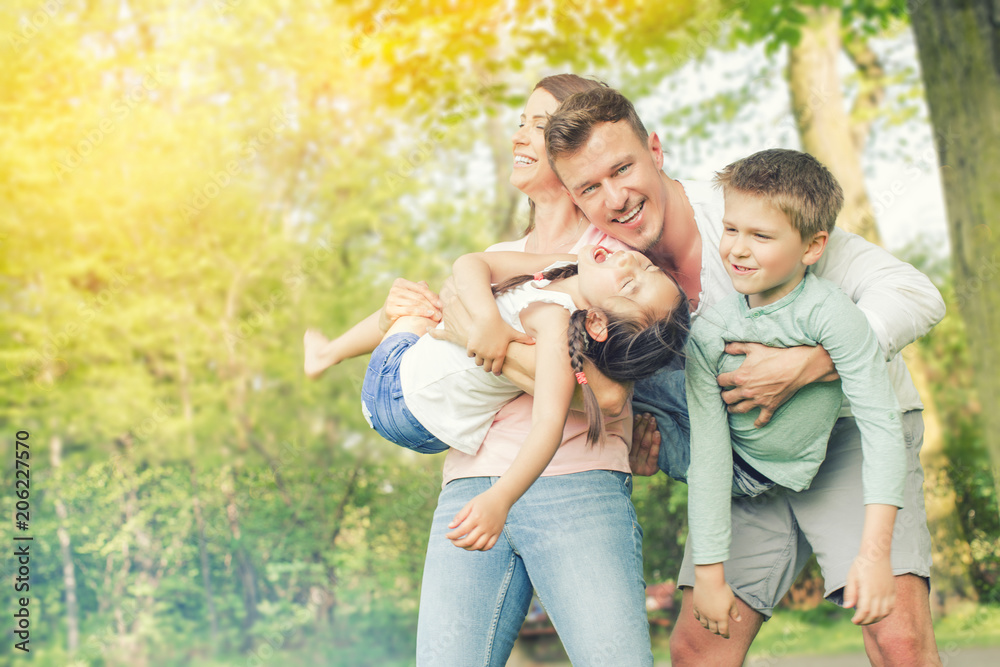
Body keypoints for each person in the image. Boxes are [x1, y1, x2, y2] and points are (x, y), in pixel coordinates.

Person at [437, 85, 945, 664]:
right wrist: (636, 433)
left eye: (623, 169)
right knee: (699, 649)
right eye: (590, 189)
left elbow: (915, 292)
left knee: (897, 636)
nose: (615, 198)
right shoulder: (605, 272)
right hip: (735, 461)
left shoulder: (746, 212)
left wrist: (814, 363)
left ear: (656, 151)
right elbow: (581, 372)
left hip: (846, 430)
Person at [335, 75, 662, 666]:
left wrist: (488, 339)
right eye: (523, 122)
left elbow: (609, 397)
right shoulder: (502, 260)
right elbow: (445, 332)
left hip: (576, 484)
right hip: (468, 484)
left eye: (541, 126)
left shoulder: (611, 259)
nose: (522, 136)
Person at [305, 245, 688, 553]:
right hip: (432, 424)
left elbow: (549, 424)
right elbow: (472, 262)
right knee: (443, 306)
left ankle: (331, 352)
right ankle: (326, 355)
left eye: (631, 285)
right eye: (649, 268)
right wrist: (488, 318)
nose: (631, 260)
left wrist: (500, 499)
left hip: (395, 397)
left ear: (598, 323)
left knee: (423, 308)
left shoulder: (556, 324)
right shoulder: (563, 266)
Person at [686, 148, 908, 639]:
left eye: (761, 236)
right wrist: (709, 574)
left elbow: (882, 428)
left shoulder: (833, 315)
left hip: (810, 462)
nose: (737, 250)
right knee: (648, 372)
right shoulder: (712, 333)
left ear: (813, 247)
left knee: (897, 632)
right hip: (735, 472)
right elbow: (708, 458)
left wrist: (872, 556)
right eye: (731, 229)